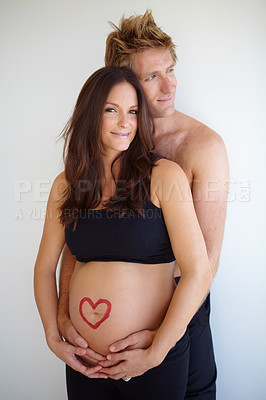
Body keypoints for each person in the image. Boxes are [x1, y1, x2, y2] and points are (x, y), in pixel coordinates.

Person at [57, 10, 229, 399]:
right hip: (95, 354)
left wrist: (160, 343)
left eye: (170, 69)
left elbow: (206, 262)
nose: (169, 86)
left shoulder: (202, 147)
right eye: (152, 77)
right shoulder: (104, 146)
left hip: (182, 323)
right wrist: (65, 314)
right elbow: (79, 239)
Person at [34, 66, 212, 399]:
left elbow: (197, 272)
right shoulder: (67, 185)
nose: (124, 122)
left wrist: (157, 350)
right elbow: (44, 268)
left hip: (152, 359)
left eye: (132, 112)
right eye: (111, 110)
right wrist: (52, 336)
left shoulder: (164, 176)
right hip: (84, 360)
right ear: (91, 114)